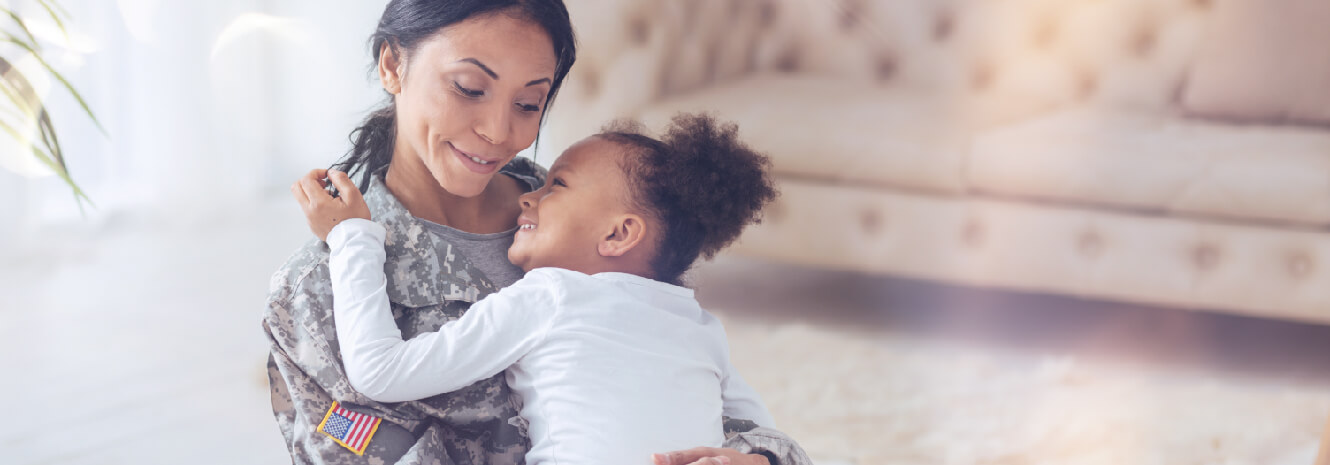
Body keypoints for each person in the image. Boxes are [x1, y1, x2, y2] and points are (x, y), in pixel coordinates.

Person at [261, 1, 812, 464]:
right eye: (469, 87)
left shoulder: (589, 223)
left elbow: (717, 409)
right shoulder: (316, 292)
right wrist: (355, 242)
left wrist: (759, 458)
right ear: (392, 65)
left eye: (529, 103)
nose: (501, 132)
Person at [293, 114, 783, 465]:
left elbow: (380, 371)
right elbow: (767, 436)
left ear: (617, 234)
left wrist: (351, 236)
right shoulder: (699, 326)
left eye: (557, 186)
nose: (529, 194)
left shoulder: (553, 295)